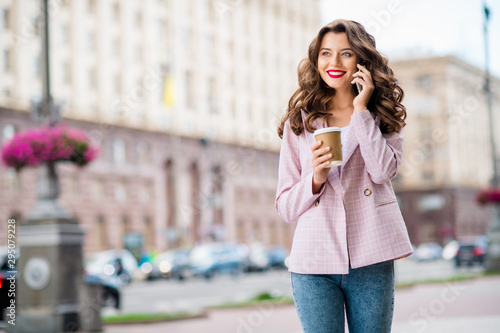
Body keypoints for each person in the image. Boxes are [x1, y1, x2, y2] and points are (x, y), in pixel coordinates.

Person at [275, 19, 413, 333]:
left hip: (371, 254)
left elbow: (382, 172)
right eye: (326, 53)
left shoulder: (383, 116)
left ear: (362, 61)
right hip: (314, 261)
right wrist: (316, 178)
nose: (334, 63)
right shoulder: (300, 122)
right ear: (316, 60)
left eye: (346, 54)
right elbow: (284, 206)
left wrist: (361, 111)